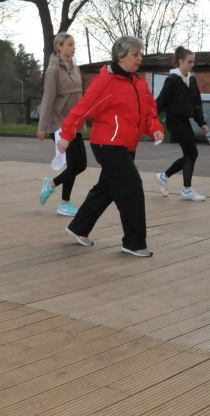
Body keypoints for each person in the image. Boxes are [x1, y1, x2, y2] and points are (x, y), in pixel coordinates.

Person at [56, 36, 164, 257]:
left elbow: (149, 113)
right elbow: (82, 109)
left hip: (127, 145)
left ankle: (78, 228)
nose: (140, 58)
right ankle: (133, 243)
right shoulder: (105, 81)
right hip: (107, 145)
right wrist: (67, 135)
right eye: (135, 54)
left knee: (107, 189)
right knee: (132, 188)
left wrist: (154, 128)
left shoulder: (139, 83)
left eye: (140, 54)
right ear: (121, 56)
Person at [37, 33, 87, 216]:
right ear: (59, 47)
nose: (73, 47)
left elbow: (80, 98)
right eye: (69, 44)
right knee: (74, 164)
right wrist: (43, 127)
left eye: (74, 44)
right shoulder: (53, 70)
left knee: (81, 164)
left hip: (74, 123)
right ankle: (64, 203)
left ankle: (52, 184)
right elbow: (48, 99)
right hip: (58, 123)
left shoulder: (76, 68)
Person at [155, 47, 208, 201]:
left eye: (193, 62)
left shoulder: (191, 79)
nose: (192, 64)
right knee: (192, 153)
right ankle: (186, 189)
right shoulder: (172, 79)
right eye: (189, 62)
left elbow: (197, 102)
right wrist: (152, 123)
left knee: (190, 154)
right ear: (181, 61)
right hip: (173, 120)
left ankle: (164, 177)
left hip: (185, 121)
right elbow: (160, 101)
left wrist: (201, 122)